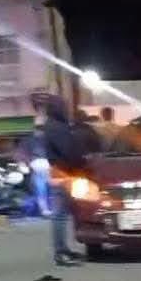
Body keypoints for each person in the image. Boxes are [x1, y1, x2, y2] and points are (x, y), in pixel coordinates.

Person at [41, 96, 88, 266]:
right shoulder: (57, 127)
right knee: (60, 215)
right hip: (64, 174)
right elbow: (68, 150)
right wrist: (82, 161)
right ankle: (60, 253)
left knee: (65, 213)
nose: (66, 109)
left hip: (60, 174)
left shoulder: (52, 125)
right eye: (63, 106)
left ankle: (64, 249)